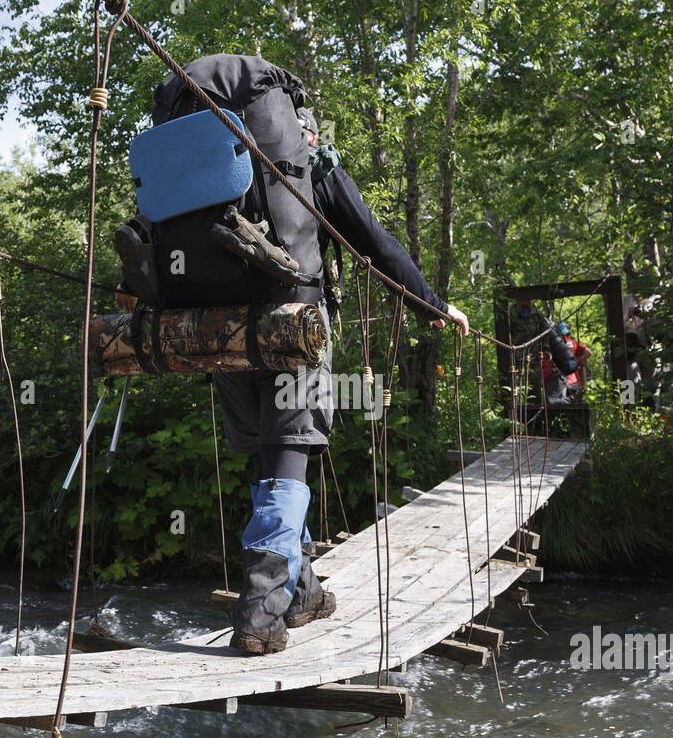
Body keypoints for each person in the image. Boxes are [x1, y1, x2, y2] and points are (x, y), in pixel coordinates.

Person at [121, 70, 468, 655]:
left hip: (220, 331)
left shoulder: (198, 174)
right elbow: (374, 243)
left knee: (266, 461)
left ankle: (300, 589)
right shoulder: (312, 170)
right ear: (298, 129)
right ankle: (260, 613)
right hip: (293, 328)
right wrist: (430, 304)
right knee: (287, 461)